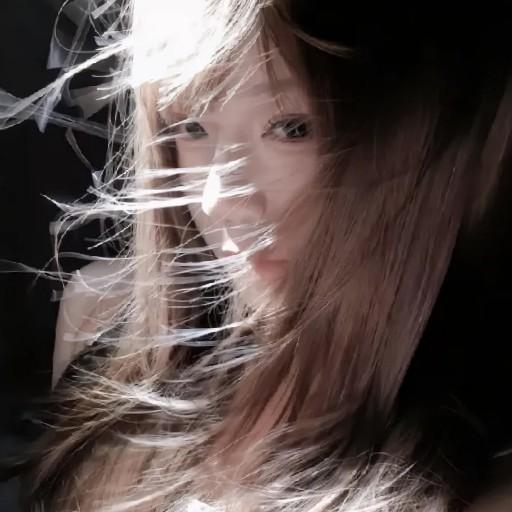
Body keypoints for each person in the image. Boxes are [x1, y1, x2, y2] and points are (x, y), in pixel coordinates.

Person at [2, 1, 512, 510]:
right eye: (191, 127)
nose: (217, 201)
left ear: (426, 130)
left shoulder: (476, 478)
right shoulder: (100, 314)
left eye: (293, 127)